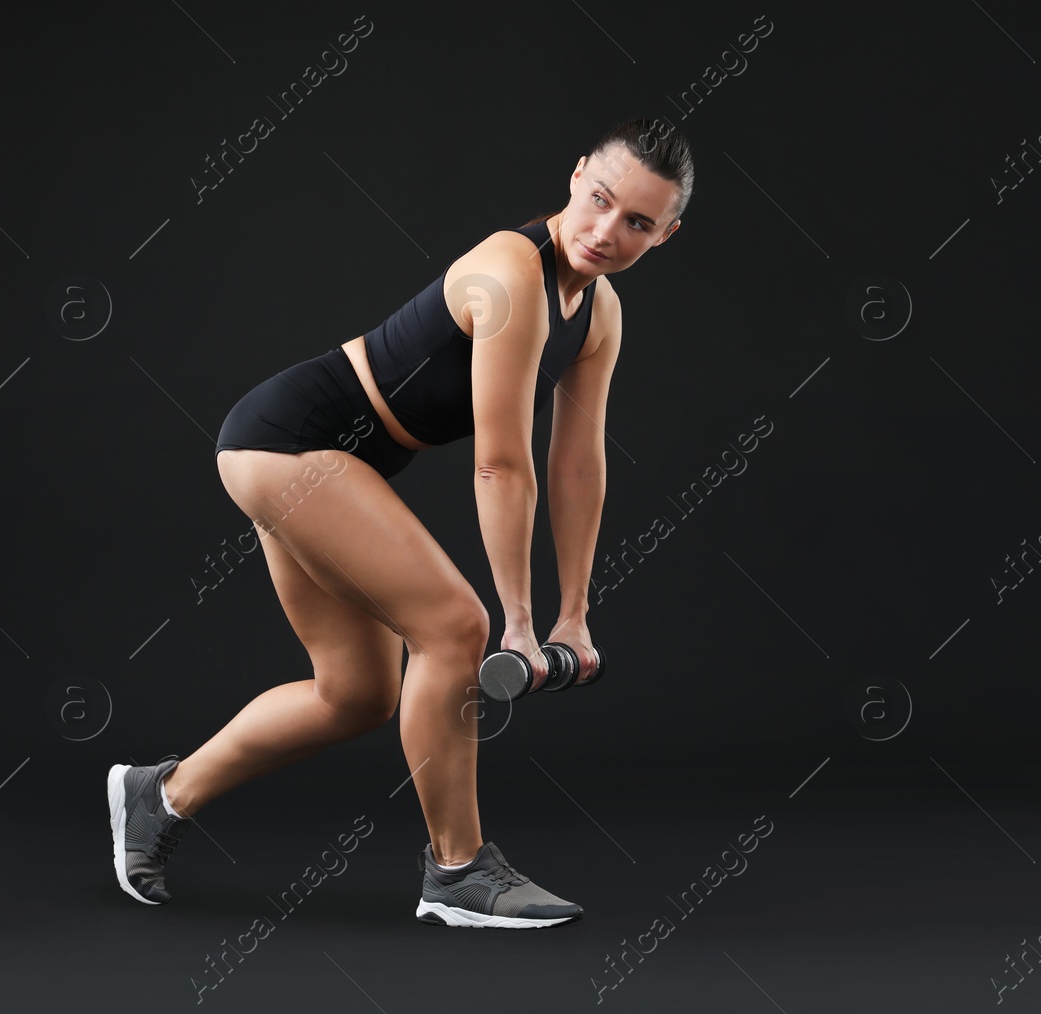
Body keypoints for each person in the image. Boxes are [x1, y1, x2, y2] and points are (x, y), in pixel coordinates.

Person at [106, 118, 692, 929]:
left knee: (355, 695)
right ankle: (457, 871)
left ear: (666, 234)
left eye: (636, 222)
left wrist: (576, 614)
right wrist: (519, 623)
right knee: (458, 627)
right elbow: (500, 461)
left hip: (333, 462)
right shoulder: (509, 271)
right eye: (600, 199)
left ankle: (157, 796)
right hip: (289, 440)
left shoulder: (599, 317)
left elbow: (576, 466)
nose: (605, 231)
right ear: (579, 174)